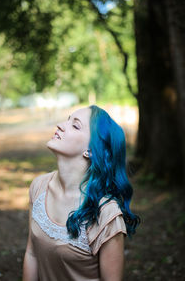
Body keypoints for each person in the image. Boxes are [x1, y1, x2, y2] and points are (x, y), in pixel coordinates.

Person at [23, 105, 140, 281]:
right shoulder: (39, 187)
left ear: (91, 151)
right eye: (67, 119)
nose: (61, 125)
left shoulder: (107, 213)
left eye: (75, 125)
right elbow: (32, 254)